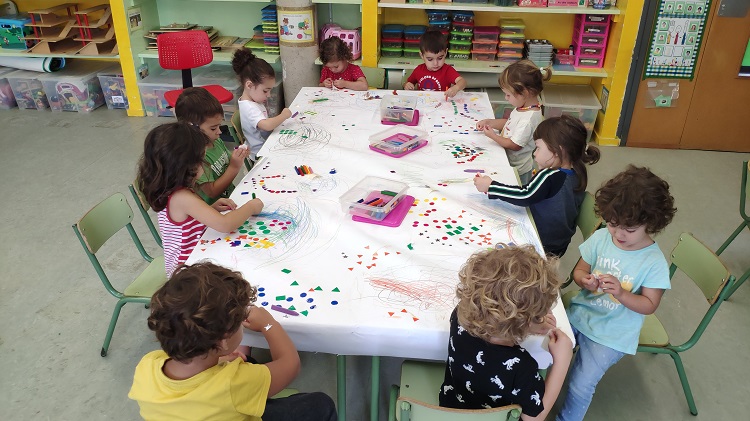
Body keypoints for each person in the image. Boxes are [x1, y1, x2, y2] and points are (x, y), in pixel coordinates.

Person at [129, 262, 338, 421]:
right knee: (321, 404)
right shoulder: (233, 384)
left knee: (249, 364)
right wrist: (268, 324)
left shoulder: (146, 366)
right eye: (239, 321)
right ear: (222, 342)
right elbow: (291, 365)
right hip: (232, 400)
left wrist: (220, 361)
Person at [556, 165, 677, 421]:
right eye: (613, 224)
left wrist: (621, 293)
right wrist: (585, 281)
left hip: (613, 333)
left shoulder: (653, 262)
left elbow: (649, 304)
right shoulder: (602, 237)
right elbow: (579, 271)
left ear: (651, 223)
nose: (618, 234)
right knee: (543, 349)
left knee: (580, 385)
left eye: (629, 230)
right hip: (581, 313)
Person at [440, 246, 572, 420]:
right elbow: (534, 418)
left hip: (450, 409)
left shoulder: (459, 315)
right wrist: (562, 361)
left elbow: (499, 322)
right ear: (524, 321)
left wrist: (529, 324)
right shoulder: (522, 366)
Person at [137, 122, 264, 277]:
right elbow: (225, 224)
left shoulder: (169, 187)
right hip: (188, 274)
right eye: (201, 162)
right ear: (186, 166)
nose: (204, 167)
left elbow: (185, 221)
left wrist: (210, 209)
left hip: (196, 257)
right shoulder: (181, 197)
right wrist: (251, 207)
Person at [473, 116, 600, 257]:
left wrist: (491, 186)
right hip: (559, 245)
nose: (534, 153)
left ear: (557, 151)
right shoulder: (577, 171)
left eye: (538, 148)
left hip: (538, 245)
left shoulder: (549, 175)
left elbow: (524, 195)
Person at [475, 60, 551, 184]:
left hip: (518, 171)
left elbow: (514, 145)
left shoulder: (528, 119)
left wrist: (493, 136)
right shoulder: (524, 107)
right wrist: (490, 122)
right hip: (508, 161)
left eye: (508, 95)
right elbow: (510, 123)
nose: (506, 98)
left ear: (524, 93)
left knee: (515, 193)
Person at [175, 87, 249, 205]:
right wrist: (234, 167)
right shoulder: (195, 157)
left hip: (230, 198)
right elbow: (212, 192)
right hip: (213, 209)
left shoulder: (215, 140)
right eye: (213, 128)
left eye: (219, 126)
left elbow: (227, 160)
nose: (219, 132)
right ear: (192, 128)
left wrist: (239, 155)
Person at [232, 47, 292, 161]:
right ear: (249, 85)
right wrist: (283, 115)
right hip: (260, 154)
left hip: (266, 146)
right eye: (265, 91)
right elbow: (266, 125)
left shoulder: (250, 101)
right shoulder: (250, 108)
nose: (268, 95)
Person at [404, 29, 466, 99]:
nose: (435, 63)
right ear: (422, 55)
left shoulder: (447, 70)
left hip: (442, 103)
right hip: (423, 102)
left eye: (440, 58)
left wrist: (456, 88)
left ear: (445, 53)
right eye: (430, 59)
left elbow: (462, 82)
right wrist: (407, 85)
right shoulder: (418, 70)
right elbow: (408, 83)